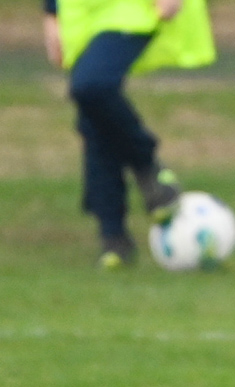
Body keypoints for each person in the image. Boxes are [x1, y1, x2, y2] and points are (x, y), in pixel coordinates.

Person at [42, 0, 216, 269]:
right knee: (94, 112)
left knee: (92, 87)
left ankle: (147, 166)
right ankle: (113, 237)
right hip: (82, 10)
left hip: (133, 7)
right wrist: (52, 13)